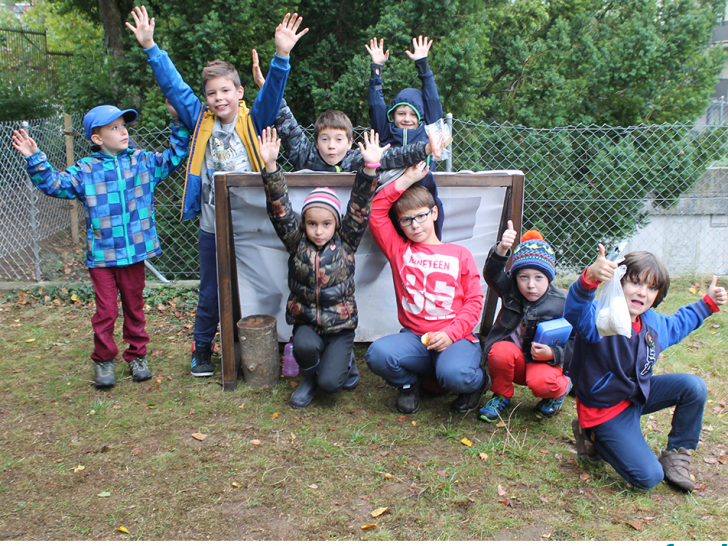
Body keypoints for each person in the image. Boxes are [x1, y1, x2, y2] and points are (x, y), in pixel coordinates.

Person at [126, 6, 307, 378]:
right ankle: (202, 347)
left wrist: (282, 56)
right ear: (205, 98)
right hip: (212, 225)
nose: (218, 97)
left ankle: (276, 340)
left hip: (254, 223)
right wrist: (151, 48)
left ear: (239, 92)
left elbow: (272, 93)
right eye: (211, 92)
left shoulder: (252, 120)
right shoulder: (199, 120)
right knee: (211, 290)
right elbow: (174, 86)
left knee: (268, 280)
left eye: (225, 90)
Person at [11, 103, 190, 388]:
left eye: (124, 126)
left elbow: (176, 156)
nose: (123, 132)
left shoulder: (143, 162)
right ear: (97, 138)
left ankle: (137, 356)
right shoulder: (85, 171)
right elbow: (54, 184)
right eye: (114, 128)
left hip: (134, 253)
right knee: (106, 311)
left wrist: (178, 120)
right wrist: (35, 158)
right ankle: (104, 360)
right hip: (103, 257)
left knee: (135, 307)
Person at [565, 245, 727, 491]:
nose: (642, 292)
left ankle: (676, 455)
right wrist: (588, 280)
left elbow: (679, 323)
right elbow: (576, 311)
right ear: (619, 281)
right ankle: (592, 436)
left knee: (693, 387)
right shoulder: (601, 318)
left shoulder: (651, 322)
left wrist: (708, 304)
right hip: (606, 411)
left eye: (651, 288)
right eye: (635, 283)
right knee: (648, 477)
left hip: (637, 394)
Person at [257, 127, 385, 409]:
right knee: (303, 347)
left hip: (340, 326)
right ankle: (309, 378)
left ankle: (343, 362)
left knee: (332, 385)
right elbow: (279, 209)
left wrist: (371, 168)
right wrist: (270, 166)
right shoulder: (296, 242)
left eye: (326, 224)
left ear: (336, 224)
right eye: (311, 223)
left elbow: (360, 205)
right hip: (307, 322)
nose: (318, 231)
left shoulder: (346, 241)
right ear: (303, 224)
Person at [364, 162, 486, 414]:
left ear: (434, 213)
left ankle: (477, 383)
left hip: (456, 338)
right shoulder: (399, 250)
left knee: (455, 376)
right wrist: (407, 179)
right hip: (415, 338)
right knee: (377, 354)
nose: (415, 225)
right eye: (406, 220)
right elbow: (376, 210)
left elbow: (474, 301)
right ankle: (408, 385)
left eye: (420, 216)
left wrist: (452, 334)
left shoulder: (460, 253)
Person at [249, 49, 433, 173]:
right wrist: (267, 89)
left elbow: (395, 155)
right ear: (315, 141)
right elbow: (283, 116)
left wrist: (426, 148)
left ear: (350, 142)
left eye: (338, 139)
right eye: (325, 139)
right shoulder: (304, 153)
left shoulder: (356, 161)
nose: (331, 146)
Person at [478, 224, 574, 422]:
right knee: (499, 351)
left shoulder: (562, 303)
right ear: (515, 278)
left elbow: (577, 342)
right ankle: (502, 395)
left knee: (543, 384)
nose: (531, 285)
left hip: (543, 362)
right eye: (524, 277)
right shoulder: (510, 290)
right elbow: (491, 275)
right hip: (515, 361)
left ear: (549, 277)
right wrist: (502, 249)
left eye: (539, 277)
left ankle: (560, 390)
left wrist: (553, 353)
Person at [365, 36, 445, 239]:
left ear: (421, 118)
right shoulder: (386, 132)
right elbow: (376, 105)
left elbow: (432, 100)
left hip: (422, 195)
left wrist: (423, 65)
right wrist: (376, 69)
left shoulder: (428, 131)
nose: (406, 118)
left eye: (413, 114)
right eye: (401, 113)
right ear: (393, 115)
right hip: (393, 195)